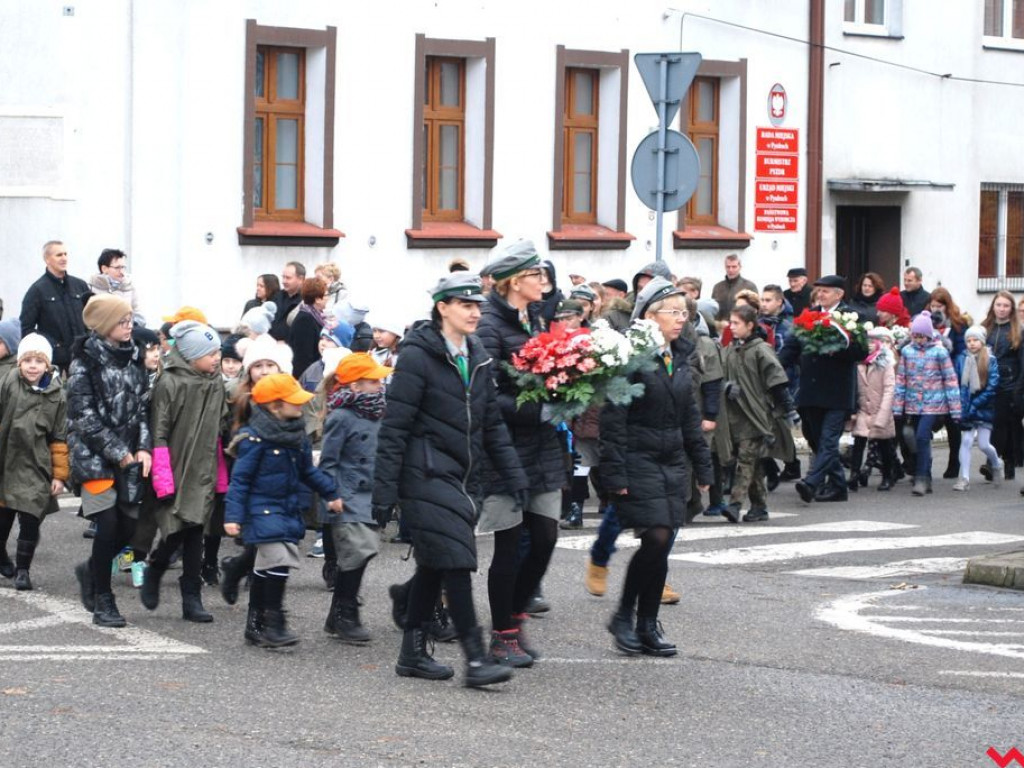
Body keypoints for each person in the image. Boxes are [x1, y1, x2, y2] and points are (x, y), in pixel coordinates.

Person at [373, 272, 525, 687]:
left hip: (463, 475)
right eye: (465, 305)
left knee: (437, 562)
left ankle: (411, 652)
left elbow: (492, 423)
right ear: (442, 308)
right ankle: (476, 659)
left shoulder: (476, 353)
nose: (475, 312)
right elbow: (395, 426)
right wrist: (384, 490)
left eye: (478, 305)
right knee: (457, 559)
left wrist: (514, 474)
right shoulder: (418, 356)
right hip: (423, 474)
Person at [602, 277, 713, 655]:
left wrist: (703, 465)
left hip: (672, 461)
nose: (682, 319)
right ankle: (623, 615)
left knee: (663, 546)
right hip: (638, 459)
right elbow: (613, 421)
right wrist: (613, 474)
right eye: (674, 312)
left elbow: (689, 415)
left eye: (685, 312)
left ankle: (647, 624)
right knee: (656, 537)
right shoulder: (630, 357)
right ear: (650, 316)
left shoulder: (679, 355)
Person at [475, 241, 567, 667]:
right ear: (515, 281)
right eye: (536, 276)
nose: (543, 283)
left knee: (546, 537)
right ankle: (503, 633)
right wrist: (539, 408)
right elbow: (488, 398)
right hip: (504, 449)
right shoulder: (489, 326)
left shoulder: (536, 318)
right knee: (509, 545)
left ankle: (515, 614)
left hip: (542, 446)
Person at [225, 373, 342, 647]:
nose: (300, 406)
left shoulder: (295, 435)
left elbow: (307, 471)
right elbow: (240, 481)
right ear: (275, 406)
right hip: (261, 510)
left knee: (266, 566)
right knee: (278, 561)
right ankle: (273, 622)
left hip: (286, 507)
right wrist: (233, 516)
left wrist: (330, 493)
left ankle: (256, 625)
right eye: (294, 402)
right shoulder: (253, 440)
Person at [68, 294, 152, 627]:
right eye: (122, 320)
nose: (129, 325)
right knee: (108, 524)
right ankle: (104, 599)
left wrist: (143, 447)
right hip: (94, 457)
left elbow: (144, 407)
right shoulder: (83, 362)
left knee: (131, 526)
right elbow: (83, 416)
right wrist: (119, 452)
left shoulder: (134, 357)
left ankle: (91, 569)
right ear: (104, 325)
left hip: (130, 457)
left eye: (130, 319)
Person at [143, 320, 228, 623]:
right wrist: (163, 477)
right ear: (191, 356)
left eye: (218, 352)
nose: (217, 358)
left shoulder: (215, 381)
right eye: (211, 353)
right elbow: (160, 431)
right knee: (178, 528)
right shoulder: (170, 383)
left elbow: (219, 427)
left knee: (195, 532)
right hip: (177, 467)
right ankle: (156, 567)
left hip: (203, 467)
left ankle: (191, 597)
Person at [318, 353, 392, 643]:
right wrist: (331, 493)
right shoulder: (341, 416)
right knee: (357, 551)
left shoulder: (379, 412)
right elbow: (328, 460)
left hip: (370, 493)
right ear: (355, 386)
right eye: (372, 381)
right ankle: (345, 614)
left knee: (364, 551)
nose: (379, 385)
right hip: (347, 494)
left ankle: (339, 613)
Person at [779, 275, 866, 503]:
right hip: (810, 390)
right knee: (815, 439)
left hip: (837, 392)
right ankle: (838, 486)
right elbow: (791, 347)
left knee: (828, 441)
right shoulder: (809, 316)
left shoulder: (850, 317)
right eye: (819, 291)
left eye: (826, 291)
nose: (820, 295)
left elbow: (860, 352)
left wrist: (835, 349)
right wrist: (775, 368)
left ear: (839, 294)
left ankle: (811, 483)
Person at [0, 334, 68, 590]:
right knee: (3, 519)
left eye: (38, 361)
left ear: (47, 365)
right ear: (19, 363)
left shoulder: (57, 395)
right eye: (27, 360)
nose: (32, 366)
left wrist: (59, 475)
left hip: (36, 466)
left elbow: (59, 438)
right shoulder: (8, 382)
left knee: (30, 519)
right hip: (6, 461)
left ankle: (23, 570)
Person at [720, 305, 796, 523]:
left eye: (736, 323)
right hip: (735, 416)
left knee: (745, 460)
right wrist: (726, 387)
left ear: (750, 325)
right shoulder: (730, 350)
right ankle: (759, 507)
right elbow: (717, 376)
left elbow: (777, 381)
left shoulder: (761, 350)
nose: (731, 327)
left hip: (757, 416)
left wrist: (789, 408)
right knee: (751, 463)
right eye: (730, 322)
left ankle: (734, 504)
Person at [893, 311, 961, 495]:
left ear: (929, 335)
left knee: (923, 436)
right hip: (913, 404)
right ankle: (926, 476)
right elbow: (901, 380)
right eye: (915, 336)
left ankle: (921, 477)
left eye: (921, 336)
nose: (918, 340)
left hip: (934, 404)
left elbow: (950, 380)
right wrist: (898, 406)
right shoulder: (907, 352)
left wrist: (955, 409)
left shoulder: (940, 352)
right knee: (914, 438)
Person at [20, 240, 92, 373]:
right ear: (47, 259)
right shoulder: (37, 291)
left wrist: (88, 340)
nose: (64, 258)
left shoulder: (80, 285)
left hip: (83, 357)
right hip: (56, 362)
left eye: (65, 254)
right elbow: (26, 329)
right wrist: (51, 345)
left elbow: (92, 318)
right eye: (59, 255)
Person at [929, 286, 971, 478]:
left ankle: (954, 460)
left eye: (939, 306)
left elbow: (964, 352)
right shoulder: (927, 322)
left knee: (952, 423)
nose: (935, 309)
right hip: (930, 378)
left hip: (951, 376)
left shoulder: (958, 325)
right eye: (933, 305)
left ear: (947, 306)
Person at [849, 327, 898, 492]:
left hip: (880, 410)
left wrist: (883, 414)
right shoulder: (858, 363)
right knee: (859, 442)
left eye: (873, 342)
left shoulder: (885, 364)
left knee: (884, 444)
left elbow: (890, 389)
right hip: (864, 409)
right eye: (867, 342)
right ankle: (854, 474)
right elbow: (854, 388)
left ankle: (887, 475)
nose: (869, 345)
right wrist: (853, 410)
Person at [981, 291, 1023, 481]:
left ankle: (992, 463)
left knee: (1000, 424)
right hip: (988, 382)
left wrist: (1018, 388)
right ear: (993, 307)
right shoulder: (985, 328)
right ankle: (1008, 460)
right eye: (999, 305)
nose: (1002, 309)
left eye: (1006, 306)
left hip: (1009, 383)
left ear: (1011, 309)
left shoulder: (1018, 331)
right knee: (992, 423)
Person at [954, 325, 1002, 491]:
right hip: (967, 407)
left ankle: (996, 463)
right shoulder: (962, 359)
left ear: (982, 341)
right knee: (966, 441)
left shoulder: (990, 359)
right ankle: (964, 478)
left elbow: (992, 385)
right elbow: (959, 384)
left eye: (975, 340)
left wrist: (976, 403)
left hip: (984, 407)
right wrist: (963, 405)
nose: (972, 343)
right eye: (968, 340)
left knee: (983, 444)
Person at [88, 249, 144, 326]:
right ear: (104, 269)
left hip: (129, 330)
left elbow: (139, 315)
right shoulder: (92, 288)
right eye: (117, 268)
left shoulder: (129, 287)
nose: (122, 272)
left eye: (123, 267)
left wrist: (129, 325)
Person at [289, 278, 329, 377]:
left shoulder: (317, 316)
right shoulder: (305, 320)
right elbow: (303, 357)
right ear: (317, 299)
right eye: (326, 295)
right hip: (307, 377)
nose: (328, 298)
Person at [711, 254, 758, 321]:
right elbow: (714, 310)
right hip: (721, 328)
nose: (731, 270)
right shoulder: (717, 287)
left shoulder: (749, 287)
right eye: (728, 267)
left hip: (741, 327)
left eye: (734, 267)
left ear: (740, 267)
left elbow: (755, 311)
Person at [270, 261, 306, 341]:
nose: (284, 281)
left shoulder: (306, 300)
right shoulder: (277, 296)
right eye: (283, 277)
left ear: (301, 279)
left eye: (288, 278)